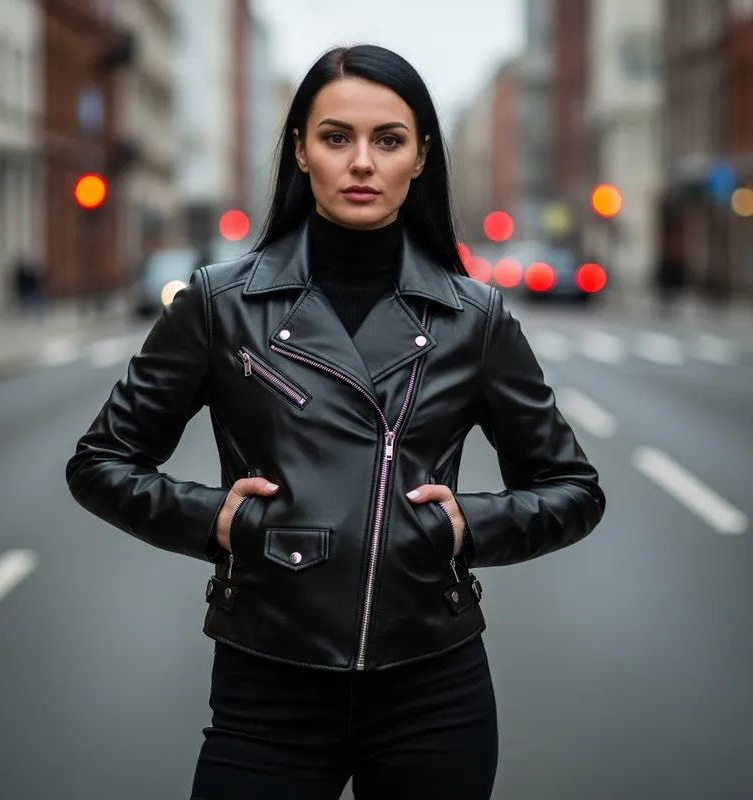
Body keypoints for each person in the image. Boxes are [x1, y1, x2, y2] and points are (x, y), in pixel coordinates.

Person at [65, 44, 606, 799]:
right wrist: (219, 522)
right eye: (335, 137)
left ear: (420, 157)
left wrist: (466, 527)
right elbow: (100, 462)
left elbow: (572, 487)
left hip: (432, 689)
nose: (362, 161)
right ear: (300, 151)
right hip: (267, 685)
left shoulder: (474, 318)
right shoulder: (221, 304)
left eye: (388, 139)